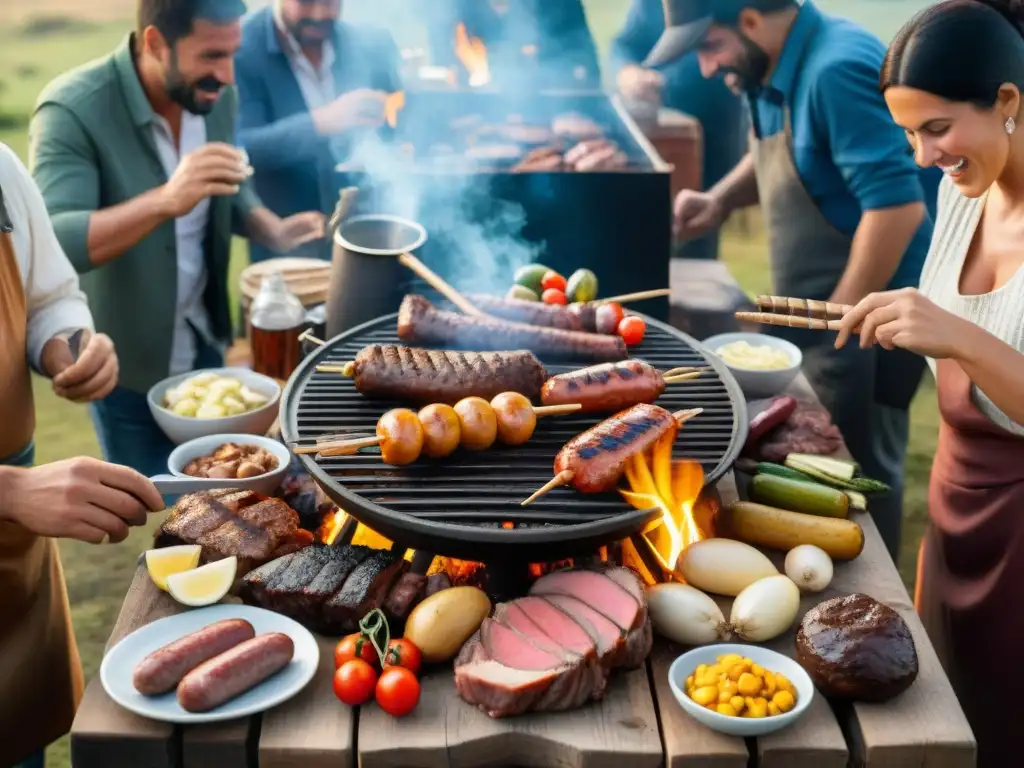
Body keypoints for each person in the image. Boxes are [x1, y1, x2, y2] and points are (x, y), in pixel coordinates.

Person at [660, 0, 941, 562]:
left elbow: (896, 209)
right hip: (823, 320)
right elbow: (784, 155)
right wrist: (717, 201)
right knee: (816, 470)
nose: (707, 69)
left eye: (708, 47)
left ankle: (882, 601)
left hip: (873, 322)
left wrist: (834, 316)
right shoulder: (768, 67)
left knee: (862, 474)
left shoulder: (836, 69)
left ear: (747, 21)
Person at [834, 1, 1024, 762]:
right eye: (908, 133)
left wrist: (957, 337)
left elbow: (966, 342)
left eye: (936, 128)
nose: (921, 155)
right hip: (954, 510)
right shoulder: (958, 194)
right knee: (942, 727)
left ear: (1007, 102)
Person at [29, 0, 326, 479]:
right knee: (148, 508)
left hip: (207, 342)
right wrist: (166, 199)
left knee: (223, 498)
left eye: (232, 54)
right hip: (127, 363)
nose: (228, 75)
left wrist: (266, 223)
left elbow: (226, 176)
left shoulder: (215, 95)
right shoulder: (71, 108)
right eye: (211, 56)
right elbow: (55, 239)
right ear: (154, 43)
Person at [0, 141, 165, 768]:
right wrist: (11, 491)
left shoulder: (0, 171)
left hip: (13, 547)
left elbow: (50, 298)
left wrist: (71, 347)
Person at [235, 0, 402, 263]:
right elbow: (242, 146)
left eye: (331, 2)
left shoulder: (366, 43)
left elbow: (398, 120)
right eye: (306, 2)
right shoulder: (240, 47)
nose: (321, 13)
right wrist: (321, 122)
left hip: (365, 234)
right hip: (287, 245)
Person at [609, 0, 745, 261]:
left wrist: (666, 82)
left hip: (714, 130)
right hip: (658, 132)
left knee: (698, 223)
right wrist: (627, 71)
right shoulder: (650, 5)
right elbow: (624, 44)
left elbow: (727, 54)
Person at [425, 0, 602, 89]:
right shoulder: (449, 9)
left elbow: (588, 68)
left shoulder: (557, 5)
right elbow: (443, 71)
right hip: (470, 116)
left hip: (550, 110)